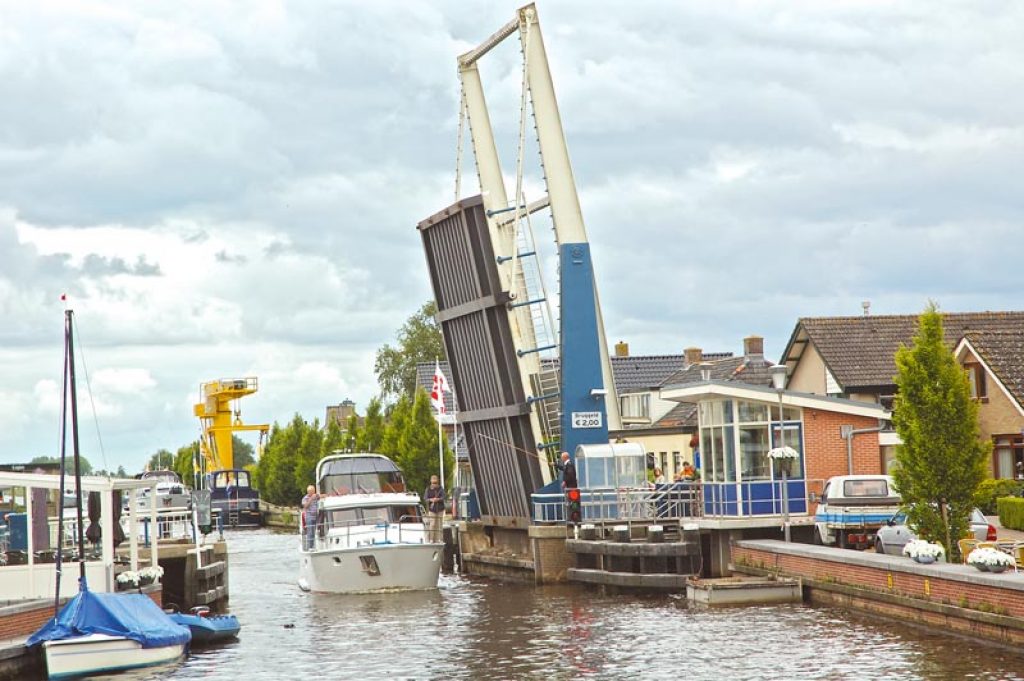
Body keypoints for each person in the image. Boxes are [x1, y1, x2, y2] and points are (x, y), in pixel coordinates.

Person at [424, 475, 446, 543]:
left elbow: (444, 497)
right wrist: (431, 500)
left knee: (440, 524)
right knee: (432, 524)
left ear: (438, 482)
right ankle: (431, 539)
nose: (434, 484)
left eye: (435, 483)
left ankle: (440, 539)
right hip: (432, 509)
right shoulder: (428, 489)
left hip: (440, 509)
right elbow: (425, 498)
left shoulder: (441, 489)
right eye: (433, 483)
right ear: (431, 482)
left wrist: (438, 499)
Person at [301, 485, 320, 551]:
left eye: (314, 491)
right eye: (311, 491)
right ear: (308, 492)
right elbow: (305, 506)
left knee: (316, 532)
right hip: (309, 517)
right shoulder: (305, 498)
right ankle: (310, 547)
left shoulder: (316, 497)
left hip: (316, 517)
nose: (313, 493)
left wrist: (319, 496)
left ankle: (314, 545)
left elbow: (323, 496)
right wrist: (311, 499)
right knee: (310, 532)